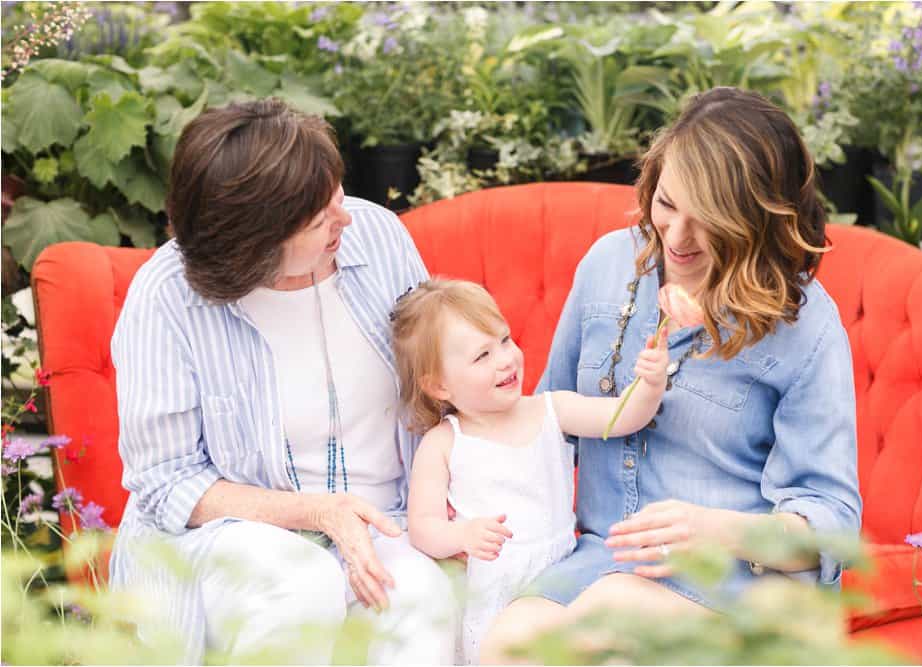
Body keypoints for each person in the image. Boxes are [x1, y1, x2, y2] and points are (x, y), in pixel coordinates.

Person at [481, 86, 863, 661]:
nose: (676, 239)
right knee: (508, 642)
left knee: (609, 621)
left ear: (754, 220)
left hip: (737, 578)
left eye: (707, 221)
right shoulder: (609, 265)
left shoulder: (804, 324)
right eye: (666, 205)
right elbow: (547, 420)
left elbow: (831, 524)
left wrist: (710, 527)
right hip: (601, 558)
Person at [108, 98, 458, 665]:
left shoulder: (377, 235)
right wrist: (316, 512)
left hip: (383, 522)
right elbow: (166, 480)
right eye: (320, 218)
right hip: (233, 533)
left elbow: (442, 379)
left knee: (421, 605)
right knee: (297, 588)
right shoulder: (166, 297)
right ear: (255, 241)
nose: (345, 218)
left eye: (337, 194)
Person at [391, 279, 673, 663]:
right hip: (492, 589)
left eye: (505, 340)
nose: (505, 359)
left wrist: (650, 385)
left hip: (562, 576)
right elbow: (423, 527)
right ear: (438, 385)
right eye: (482, 355)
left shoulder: (550, 409)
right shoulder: (444, 442)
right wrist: (462, 534)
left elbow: (620, 418)